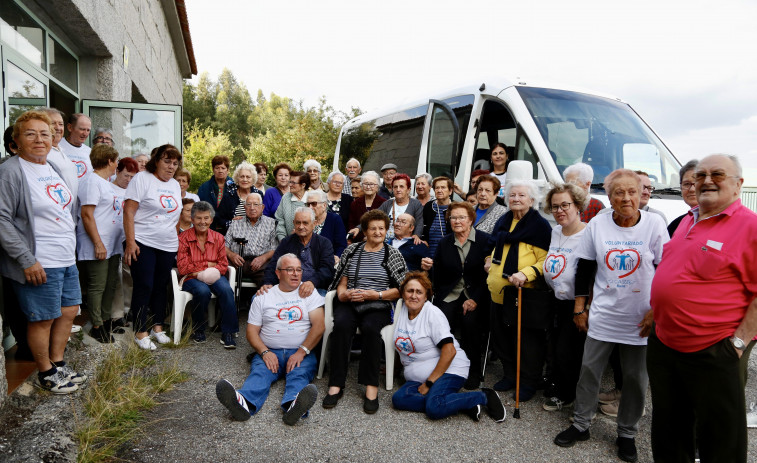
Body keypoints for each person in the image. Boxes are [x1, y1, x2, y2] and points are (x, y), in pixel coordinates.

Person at [648, 154, 757, 463]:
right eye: (701, 175)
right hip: (665, 345)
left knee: (721, 439)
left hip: (712, 350)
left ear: (738, 185)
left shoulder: (750, 227)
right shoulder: (688, 220)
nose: (707, 180)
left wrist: (737, 343)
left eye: (718, 174)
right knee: (669, 430)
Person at [554, 169, 668, 463]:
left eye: (633, 191)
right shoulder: (597, 225)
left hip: (640, 318)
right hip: (604, 314)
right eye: (619, 192)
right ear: (610, 196)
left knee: (635, 379)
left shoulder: (655, 224)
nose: (626, 198)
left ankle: (627, 433)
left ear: (642, 192)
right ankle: (581, 425)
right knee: (589, 371)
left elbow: (667, 271)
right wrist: (580, 307)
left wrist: (657, 311)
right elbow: (586, 267)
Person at [0, 110, 86, 393]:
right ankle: (46, 372)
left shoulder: (52, 167)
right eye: (30, 134)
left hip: (64, 256)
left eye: (45, 134)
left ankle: (59, 364)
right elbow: (2, 219)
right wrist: (27, 259)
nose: (39, 139)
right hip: (39, 260)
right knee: (43, 318)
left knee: (69, 310)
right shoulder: (11, 171)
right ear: (16, 141)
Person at [215, 254, 324, 425]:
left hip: (300, 351)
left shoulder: (308, 293)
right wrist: (264, 352)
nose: (295, 274)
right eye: (290, 270)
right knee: (260, 374)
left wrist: (302, 352)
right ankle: (242, 403)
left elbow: (319, 326)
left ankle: (294, 406)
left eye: (298, 270)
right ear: (278, 273)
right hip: (270, 350)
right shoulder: (263, 296)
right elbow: (251, 331)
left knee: (299, 374)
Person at [323, 210, 408, 413]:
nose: (378, 232)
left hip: (378, 303)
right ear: (364, 231)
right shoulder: (351, 251)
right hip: (351, 301)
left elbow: (401, 289)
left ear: (386, 231)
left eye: (381, 228)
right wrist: (344, 295)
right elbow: (341, 283)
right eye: (373, 228)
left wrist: (375, 295)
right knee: (342, 326)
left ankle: (371, 387)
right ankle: (336, 384)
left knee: (371, 329)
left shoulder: (392, 254)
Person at [391, 271, 506, 422]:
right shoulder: (401, 311)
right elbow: (404, 345)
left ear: (426, 296)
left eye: (419, 292)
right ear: (403, 293)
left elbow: (450, 351)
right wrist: (396, 369)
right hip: (417, 377)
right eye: (410, 291)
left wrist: (429, 383)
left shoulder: (432, 314)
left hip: (450, 369)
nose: (414, 296)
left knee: (434, 409)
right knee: (398, 399)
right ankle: (459, 403)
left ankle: (482, 396)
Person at [486, 180, 552, 400]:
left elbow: (546, 261)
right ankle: (509, 375)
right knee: (502, 337)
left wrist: (527, 273)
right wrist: (488, 260)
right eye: (512, 195)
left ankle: (527, 382)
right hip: (498, 294)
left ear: (532, 200)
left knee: (526, 342)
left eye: (522, 195)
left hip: (524, 295)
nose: (516, 199)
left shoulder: (539, 226)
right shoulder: (503, 221)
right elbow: (494, 249)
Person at [427, 202, 493, 389]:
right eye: (453, 218)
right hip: (450, 293)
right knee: (441, 320)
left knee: (470, 322)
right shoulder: (444, 242)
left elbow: (488, 276)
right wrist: (429, 272)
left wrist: (476, 299)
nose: (456, 221)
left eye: (461, 217)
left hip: (476, 294)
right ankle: (444, 368)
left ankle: (472, 371)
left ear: (471, 219)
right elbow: (437, 274)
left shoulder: (485, 240)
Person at [123, 144, 183, 350]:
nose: (171, 167)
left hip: (167, 244)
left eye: (175, 163)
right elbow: (129, 212)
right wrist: (130, 242)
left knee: (161, 286)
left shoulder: (175, 185)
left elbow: (175, 216)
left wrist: (173, 238)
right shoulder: (142, 179)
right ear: (156, 161)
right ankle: (140, 331)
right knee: (144, 285)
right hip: (143, 241)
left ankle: (158, 327)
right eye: (167, 161)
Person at [541, 183, 588, 412]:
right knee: (554, 348)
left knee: (569, 352)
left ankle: (571, 396)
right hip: (555, 300)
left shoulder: (588, 234)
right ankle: (560, 388)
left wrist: (583, 306)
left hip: (576, 303)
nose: (560, 211)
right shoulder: (556, 231)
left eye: (565, 205)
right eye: (555, 207)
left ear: (577, 205)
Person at [76, 144, 122, 343]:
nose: (117, 164)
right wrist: (98, 243)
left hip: (112, 243)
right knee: (98, 285)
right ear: (110, 161)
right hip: (98, 243)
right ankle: (96, 325)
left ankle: (104, 320)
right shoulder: (91, 181)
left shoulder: (106, 182)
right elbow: (87, 215)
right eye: (116, 161)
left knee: (110, 284)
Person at [177, 201, 239, 347]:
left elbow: (223, 265)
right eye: (198, 218)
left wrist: (205, 268)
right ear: (192, 220)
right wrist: (208, 265)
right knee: (202, 290)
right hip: (191, 277)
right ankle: (198, 329)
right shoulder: (184, 238)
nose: (202, 222)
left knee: (226, 290)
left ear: (211, 220)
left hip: (214, 275)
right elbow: (183, 267)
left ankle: (228, 332)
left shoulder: (218, 238)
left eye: (206, 218)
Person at [262, 208, 335, 297]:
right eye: (298, 223)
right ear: (293, 223)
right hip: (287, 289)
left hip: (315, 288)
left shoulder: (324, 243)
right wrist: (268, 282)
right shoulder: (286, 242)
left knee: (321, 302)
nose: (300, 227)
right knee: (259, 298)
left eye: (305, 223)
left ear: (314, 224)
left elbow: (327, 269)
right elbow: (274, 265)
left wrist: (312, 282)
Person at [109, 157, 139, 331]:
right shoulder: (109, 188)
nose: (128, 180)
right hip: (111, 238)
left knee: (129, 276)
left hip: (128, 239)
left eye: (132, 177)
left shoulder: (133, 191)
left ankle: (128, 309)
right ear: (117, 172)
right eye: (126, 175)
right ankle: (116, 313)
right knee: (116, 277)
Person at [225, 193, 277, 288]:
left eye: (256, 204)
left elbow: (275, 248)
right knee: (222, 278)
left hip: (261, 264)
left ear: (262, 207)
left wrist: (263, 258)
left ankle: (260, 301)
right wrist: (232, 255)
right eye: (249, 204)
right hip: (236, 261)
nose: (252, 208)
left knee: (268, 283)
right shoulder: (236, 223)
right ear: (244, 207)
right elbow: (224, 246)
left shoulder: (271, 223)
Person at [197, 155, 239, 235]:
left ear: (228, 170)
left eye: (223, 168)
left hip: (230, 228)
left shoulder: (235, 186)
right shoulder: (204, 187)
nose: (220, 171)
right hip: (209, 228)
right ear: (213, 169)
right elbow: (199, 208)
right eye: (217, 168)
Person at [305, 190, 347, 262]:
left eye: (314, 204)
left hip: (327, 261)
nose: (310, 207)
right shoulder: (304, 220)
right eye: (308, 204)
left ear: (324, 205)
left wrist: (337, 256)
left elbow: (341, 245)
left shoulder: (334, 219)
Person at [378, 173, 424, 240]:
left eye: (401, 186)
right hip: (387, 243)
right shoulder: (387, 203)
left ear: (408, 189)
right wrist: (358, 228)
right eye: (395, 187)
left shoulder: (415, 204)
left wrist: (416, 235)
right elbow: (373, 217)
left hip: (404, 243)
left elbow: (419, 222)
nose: (398, 190)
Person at [347, 171, 385, 242]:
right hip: (358, 242)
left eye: (371, 184)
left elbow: (385, 225)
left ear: (378, 186)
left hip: (378, 241)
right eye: (365, 184)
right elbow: (352, 224)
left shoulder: (384, 203)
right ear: (361, 186)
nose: (368, 187)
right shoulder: (355, 204)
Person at [421, 176, 453, 257]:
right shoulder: (428, 206)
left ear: (450, 191)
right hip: (429, 252)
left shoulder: (455, 207)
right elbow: (423, 227)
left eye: (443, 187)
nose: (439, 190)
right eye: (437, 188)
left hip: (448, 252)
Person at [275, 170, 309, 241]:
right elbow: (280, 220)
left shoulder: (311, 199)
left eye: (293, 183)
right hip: (287, 243)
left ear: (303, 185)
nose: (290, 185)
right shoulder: (286, 197)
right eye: (290, 182)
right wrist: (283, 241)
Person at [667, 159, 698, 236]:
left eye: (697, 183)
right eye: (686, 184)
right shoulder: (675, 225)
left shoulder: (721, 223)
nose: (692, 189)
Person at [58, 113, 92, 179]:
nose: (85, 134)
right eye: (82, 129)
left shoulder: (90, 152)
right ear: (70, 127)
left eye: (88, 130)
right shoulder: (57, 146)